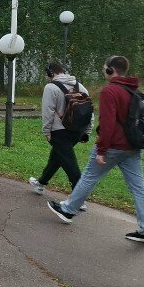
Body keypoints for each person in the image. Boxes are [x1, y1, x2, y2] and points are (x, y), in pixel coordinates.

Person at [46, 56, 144, 244]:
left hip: (113, 146)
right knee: (139, 186)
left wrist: (101, 149)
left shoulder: (110, 91)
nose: (103, 70)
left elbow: (108, 123)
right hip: (132, 146)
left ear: (110, 70)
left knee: (89, 177)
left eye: (104, 68)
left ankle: (68, 210)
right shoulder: (132, 89)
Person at [29, 61, 91, 196]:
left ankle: (78, 198)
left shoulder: (51, 87)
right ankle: (40, 183)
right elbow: (88, 109)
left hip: (59, 132)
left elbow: (48, 111)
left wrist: (46, 131)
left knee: (70, 164)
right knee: (57, 157)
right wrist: (87, 130)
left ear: (50, 73)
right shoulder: (80, 86)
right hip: (77, 131)